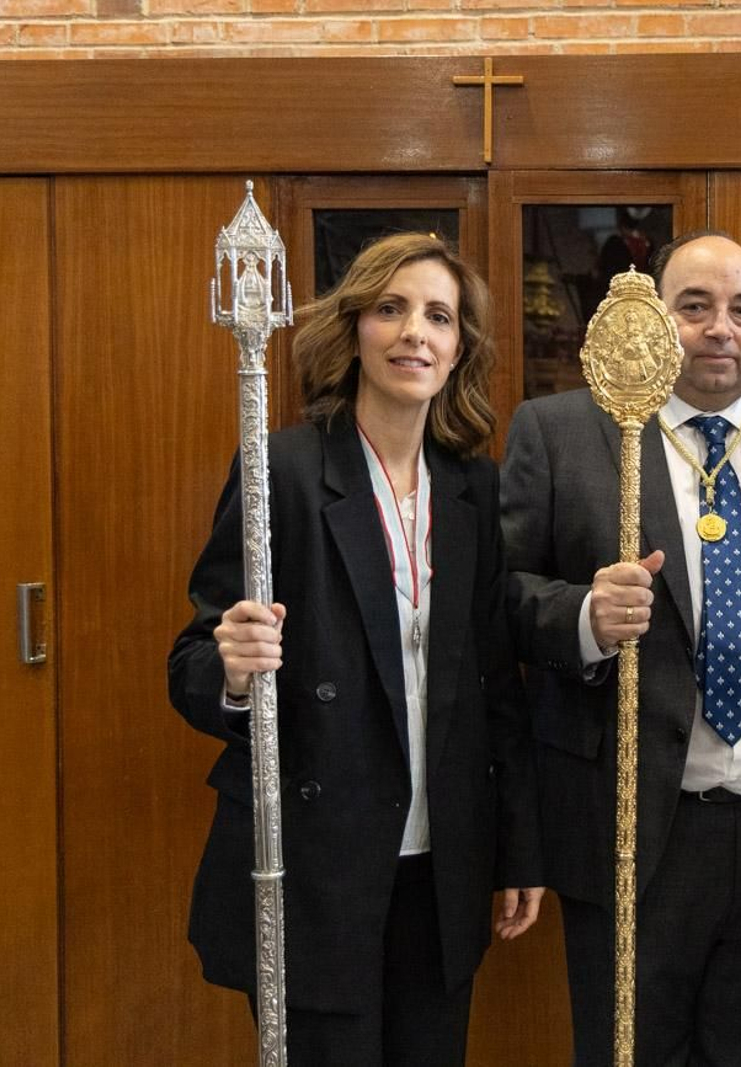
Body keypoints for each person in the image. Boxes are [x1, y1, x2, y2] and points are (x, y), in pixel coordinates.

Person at [169, 233, 543, 1067]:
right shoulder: (286, 469)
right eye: (392, 308)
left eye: (438, 316)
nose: (416, 330)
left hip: (441, 867)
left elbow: (494, 688)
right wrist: (231, 671)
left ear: (458, 350)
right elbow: (193, 658)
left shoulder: (470, 488)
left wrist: (519, 848)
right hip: (318, 869)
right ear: (356, 330)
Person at [501, 230, 741, 1067]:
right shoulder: (563, 433)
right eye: (693, 306)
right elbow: (499, 598)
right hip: (633, 829)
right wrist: (587, 616)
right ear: (652, 318)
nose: (719, 329)